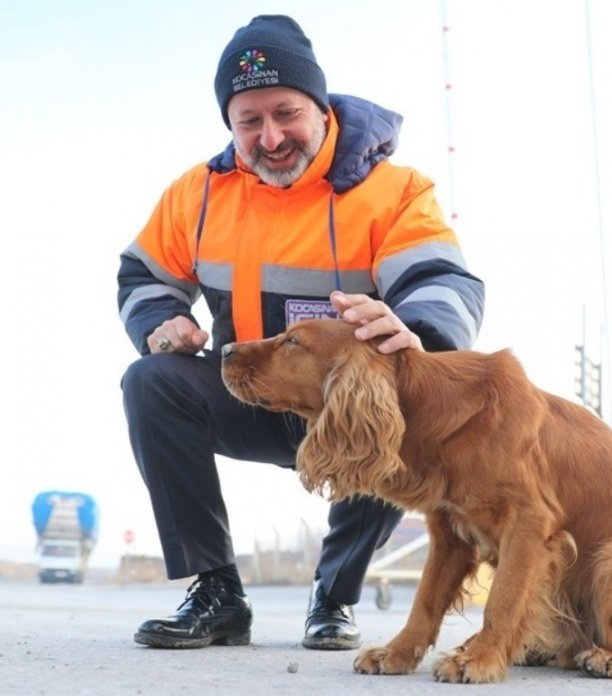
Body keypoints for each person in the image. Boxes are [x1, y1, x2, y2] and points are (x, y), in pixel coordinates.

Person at [117, 14, 485, 651]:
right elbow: (141, 275)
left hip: (348, 400)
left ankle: (333, 598)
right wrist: (159, 322)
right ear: (230, 125)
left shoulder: (392, 190)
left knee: (398, 390)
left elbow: (443, 278)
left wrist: (415, 327)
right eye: (249, 121)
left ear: (319, 107)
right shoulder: (197, 195)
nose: (271, 136)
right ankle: (216, 593)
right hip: (251, 391)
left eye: (286, 113)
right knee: (149, 382)